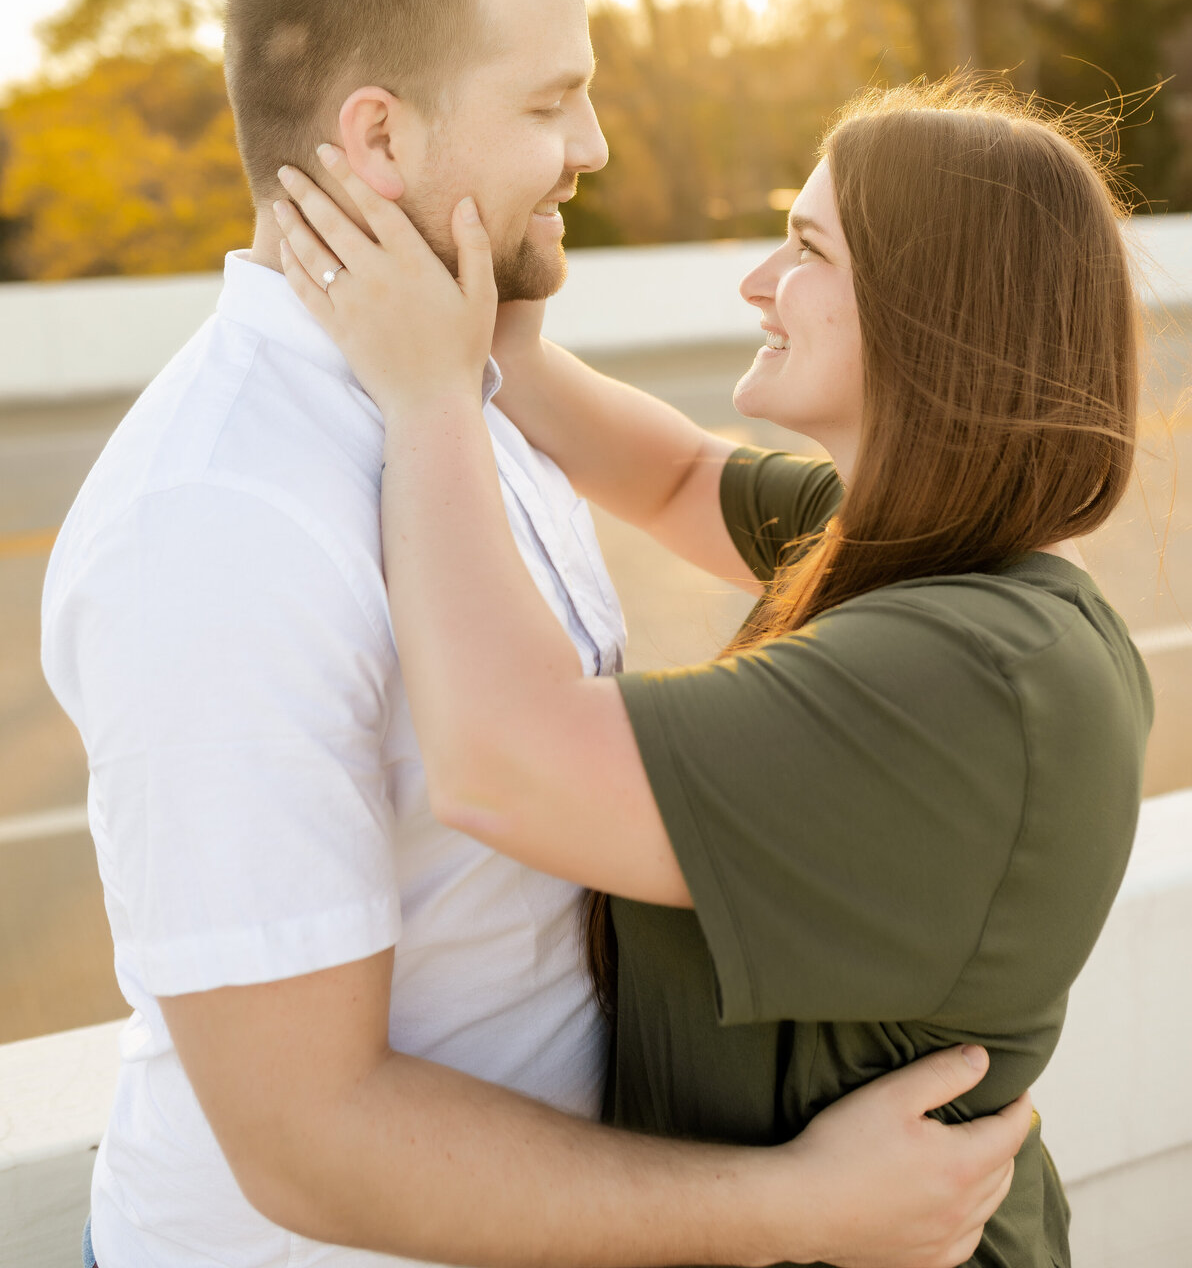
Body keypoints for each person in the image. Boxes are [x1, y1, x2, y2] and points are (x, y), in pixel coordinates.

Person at [42, 0, 1028, 1268]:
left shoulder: (452, 384)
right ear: (378, 141)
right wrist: (796, 1209)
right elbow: (308, 1142)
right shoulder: (218, 523)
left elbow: (685, 480)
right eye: (551, 103)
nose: (595, 149)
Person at [273, 78, 1153, 1268]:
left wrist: (429, 395)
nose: (755, 283)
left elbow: (502, 763)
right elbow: (685, 477)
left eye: (804, 248)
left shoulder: (975, 678)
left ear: (930, 306)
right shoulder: (913, 552)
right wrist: (504, 325)